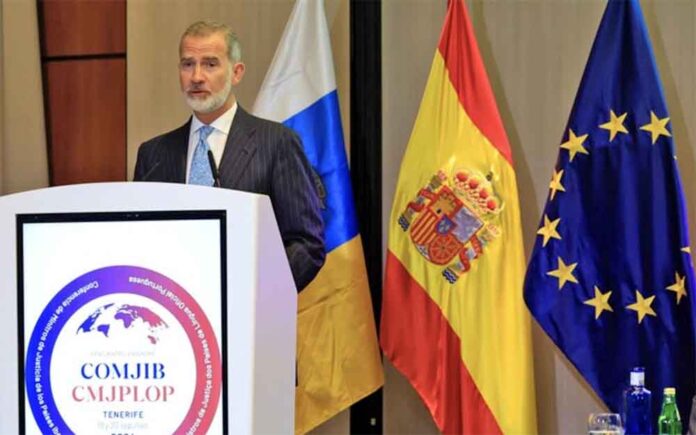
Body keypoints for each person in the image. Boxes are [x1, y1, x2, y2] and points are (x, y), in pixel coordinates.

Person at [134, 21, 325, 291]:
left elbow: (307, 245)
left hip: (248, 316)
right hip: (174, 315)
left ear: (236, 72)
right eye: (188, 64)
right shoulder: (153, 154)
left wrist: (252, 296)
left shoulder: (277, 143)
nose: (197, 76)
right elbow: (141, 242)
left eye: (210, 64)